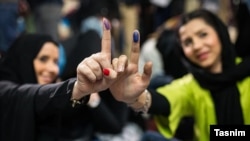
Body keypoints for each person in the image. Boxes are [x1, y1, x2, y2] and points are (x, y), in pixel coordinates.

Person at [108, 9, 250, 141]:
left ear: (220, 32)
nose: (197, 46)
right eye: (188, 42)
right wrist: (133, 96)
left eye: (203, 34)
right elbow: (164, 99)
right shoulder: (192, 84)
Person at [0, 18, 130, 141]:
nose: (53, 69)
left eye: (56, 62)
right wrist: (75, 88)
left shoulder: (57, 101)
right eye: (43, 59)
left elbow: (115, 125)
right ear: (24, 59)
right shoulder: (5, 90)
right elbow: (32, 95)